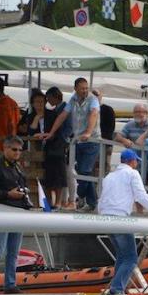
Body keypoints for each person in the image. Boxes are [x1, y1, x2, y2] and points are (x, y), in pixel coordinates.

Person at [96, 150, 148, 295]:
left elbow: (102, 198)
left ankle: (117, 289)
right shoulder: (132, 173)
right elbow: (141, 195)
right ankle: (116, 291)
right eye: (136, 161)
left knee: (122, 256)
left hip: (105, 217)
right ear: (132, 161)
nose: (137, 163)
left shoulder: (109, 176)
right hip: (120, 218)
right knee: (131, 258)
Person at [0, 135, 30, 294]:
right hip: (3, 211)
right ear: (5, 148)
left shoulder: (17, 166)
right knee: (0, 250)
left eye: (20, 150)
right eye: (14, 149)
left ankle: (10, 284)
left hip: (18, 212)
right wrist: (7, 194)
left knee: (13, 252)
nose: (17, 152)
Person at [65, 77, 101, 211]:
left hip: (92, 141)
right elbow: (64, 114)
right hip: (78, 140)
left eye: (86, 88)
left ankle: (81, 196)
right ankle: (92, 203)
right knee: (82, 172)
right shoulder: (73, 99)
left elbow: (94, 114)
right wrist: (51, 132)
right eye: (82, 88)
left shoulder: (93, 99)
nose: (85, 90)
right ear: (75, 89)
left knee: (84, 171)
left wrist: (88, 132)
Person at [41, 87, 70, 208]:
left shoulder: (63, 109)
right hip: (55, 143)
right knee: (53, 173)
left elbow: (64, 127)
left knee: (59, 173)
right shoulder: (57, 109)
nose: (48, 101)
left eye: (48, 98)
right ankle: (55, 202)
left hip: (59, 143)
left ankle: (58, 202)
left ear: (55, 96)